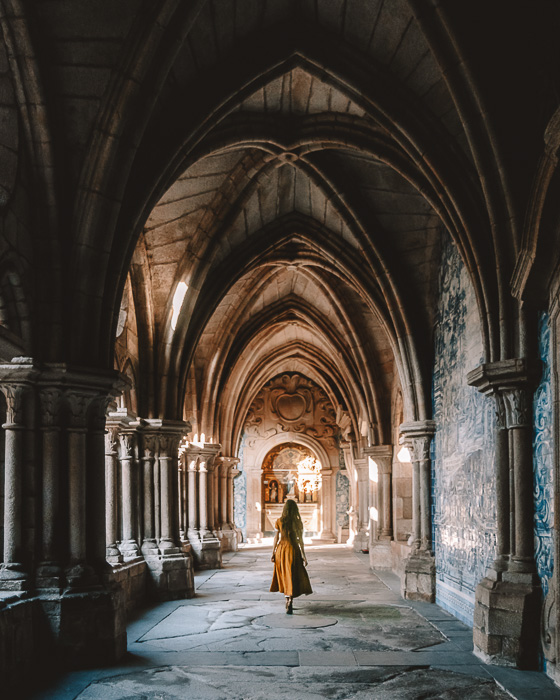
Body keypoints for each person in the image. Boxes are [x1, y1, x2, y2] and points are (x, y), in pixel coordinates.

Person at [270, 499, 312, 613]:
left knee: (284, 574)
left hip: (281, 550)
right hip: (292, 549)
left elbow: (276, 538)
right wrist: (304, 555)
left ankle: (287, 598)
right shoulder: (298, 522)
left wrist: (273, 552)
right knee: (292, 575)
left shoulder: (279, 521)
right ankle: (290, 600)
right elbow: (300, 540)